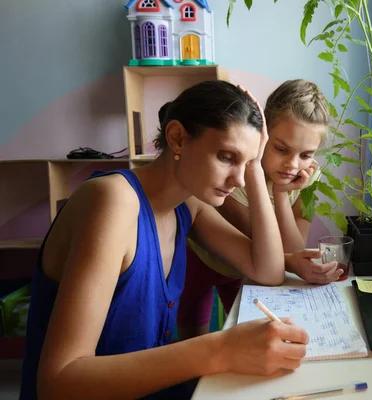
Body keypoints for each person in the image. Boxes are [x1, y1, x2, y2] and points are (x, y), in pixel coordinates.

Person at [20, 81, 313, 400]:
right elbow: (58, 383)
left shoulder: (189, 204)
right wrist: (220, 349)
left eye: (246, 163)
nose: (239, 179)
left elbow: (268, 271)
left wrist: (256, 164)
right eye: (227, 157)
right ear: (177, 138)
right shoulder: (113, 202)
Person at [178, 79, 340, 339]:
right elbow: (263, 246)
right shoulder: (236, 176)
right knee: (194, 327)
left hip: (248, 268)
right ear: (263, 134)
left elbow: (293, 249)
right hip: (203, 258)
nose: (292, 165)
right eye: (280, 149)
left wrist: (280, 192)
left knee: (244, 329)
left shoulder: (309, 177)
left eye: (306, 154)